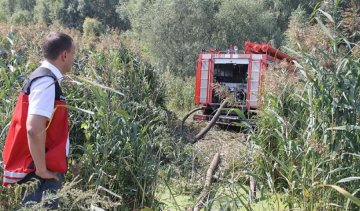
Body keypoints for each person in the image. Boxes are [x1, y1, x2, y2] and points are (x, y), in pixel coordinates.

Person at [2, 32, 75, 209]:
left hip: (39, 169)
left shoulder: (45, 79)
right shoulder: (46, 82)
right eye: (73, 54)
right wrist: (42, 170)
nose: (74, 59)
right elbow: (34, 128)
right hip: (39, 173)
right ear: (64, 55)